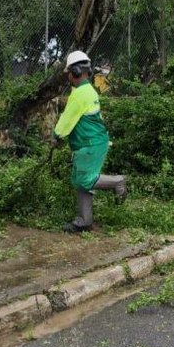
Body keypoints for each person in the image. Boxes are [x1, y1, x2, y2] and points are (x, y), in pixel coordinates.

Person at [52, 50, 126, 233]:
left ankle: (118, 182)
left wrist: (57, 136)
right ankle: (85, 221)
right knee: (80, 181)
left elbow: (67, 119)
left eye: (69, 72)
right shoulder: (86, 91)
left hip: (90, 144)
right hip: (88, 143)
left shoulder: (80, 94)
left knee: (86, 179)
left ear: (76, 72)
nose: (68, 76)